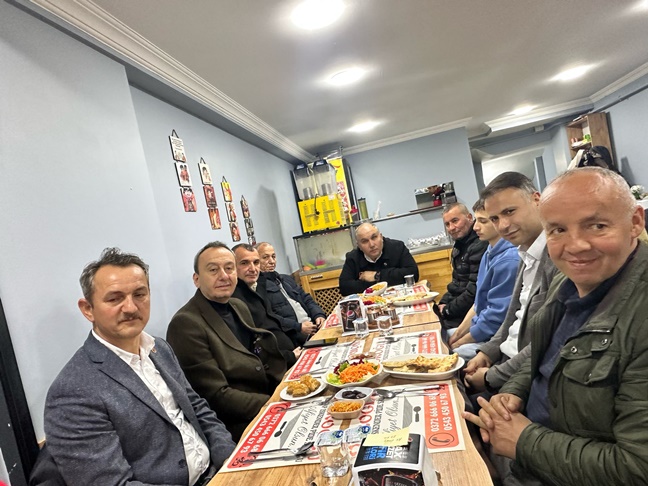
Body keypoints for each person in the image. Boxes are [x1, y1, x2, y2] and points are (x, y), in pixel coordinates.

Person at [464, 167, 648, 485]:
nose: (575, 245)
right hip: (526, 451)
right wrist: (513, 392)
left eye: (596, 226)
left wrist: (524, 440)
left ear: (635, 222)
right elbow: (544, 353)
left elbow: (637, 467)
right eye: (558, 230)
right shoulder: (567, 282)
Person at [39, 248, 235, 486]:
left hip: (218, 472)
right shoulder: (72, 391)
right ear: (88, 309)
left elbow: (196, 407)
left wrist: (230, 458)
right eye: (115, 299)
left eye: (139, 294)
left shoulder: (159, 348)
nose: (131, 307)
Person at [166, 242, 286, 441]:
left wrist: (288, 389)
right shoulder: (186, 324)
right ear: (196, 279)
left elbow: (260, 357)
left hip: (268, 402)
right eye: (213, 270)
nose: (224, 276)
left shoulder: (238, 306)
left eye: (229, 268)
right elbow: (216, 396)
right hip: (238, 425)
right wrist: (276, 403)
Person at [463, 172, 559, 394]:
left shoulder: (558, 257)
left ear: (536, 200)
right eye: (495, 219)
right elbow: (512, 319)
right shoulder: (525, 253)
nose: (504, 225)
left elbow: (549, 341)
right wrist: (487, 352)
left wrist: (491, 377)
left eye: (509, 211)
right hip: (504, 362)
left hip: (524, 379)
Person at [447, 199, 519, 360]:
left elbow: (495, 320)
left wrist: (459, 342)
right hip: (480, 326)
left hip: (495, 338)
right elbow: (478, 304)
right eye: (476, 220)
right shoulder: (488, 252)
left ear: (498, 222)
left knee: (450, 355)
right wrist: (457, 335)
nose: (475, 227)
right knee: (442, 335)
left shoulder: (509, 260)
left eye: (483, 221)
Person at [231, 243, 302, 363]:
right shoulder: (234, 300)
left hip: (293, 349)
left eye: (256, 262)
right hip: (279, 363)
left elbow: (275, 323)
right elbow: (255, 345)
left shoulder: (260, 285)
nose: (253, 269)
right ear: (232, 267)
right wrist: (289, 356)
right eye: (244, 263)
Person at [257, 242, 326, 342]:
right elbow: (272, 318)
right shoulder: (259, 288)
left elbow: (307, 299)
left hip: (314, 326)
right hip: (295, 336)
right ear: (256, 261)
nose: (271, 261)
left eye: (273, 256)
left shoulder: (286, 279)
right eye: (265, 257)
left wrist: (318, 314)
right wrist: (299, 327)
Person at [439, 203, 488, 328]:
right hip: (458, 309)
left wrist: (447, 310)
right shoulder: (460, 245)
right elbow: (456, 283)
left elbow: (474, 293)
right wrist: (442, 303)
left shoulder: (480, 245)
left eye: (455, 221)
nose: (451, 228)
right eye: (447, 224)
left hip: (470, 315)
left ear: (469, 217)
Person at [339, 222, 419, 295]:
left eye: (374, 237)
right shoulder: (353, 258)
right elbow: (344, 287)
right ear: (359, 246)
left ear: (381, 237)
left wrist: (377, 276)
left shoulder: (397, 247)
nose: (372, 245)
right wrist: (380, 284)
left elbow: (413, 273)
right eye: (365, 241)